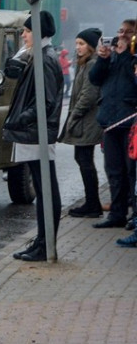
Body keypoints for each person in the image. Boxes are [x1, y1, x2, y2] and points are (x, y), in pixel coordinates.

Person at [6, 11, 64, 262]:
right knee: (43, 190)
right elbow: (11, 72)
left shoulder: (45, 59)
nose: (23, 35)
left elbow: (46, 102)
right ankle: (42, 242)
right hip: (34, 132)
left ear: (39, 33)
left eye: (28, 31)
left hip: (37, 133)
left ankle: (45, 245)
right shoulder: (37, 55)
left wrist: (21, 119)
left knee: (46, 190)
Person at [89, 19, 137, 231]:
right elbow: (95, 79)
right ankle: (117, 214)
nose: (122, 35)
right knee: (114, 171)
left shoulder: (132, 58)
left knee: (132, 172)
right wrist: (103, 59)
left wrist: (126, 54)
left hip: (130, 121)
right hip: (110, 121)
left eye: (128, 32)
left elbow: (133, 79)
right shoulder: (112, 56)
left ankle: (134, 216)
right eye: (120, 31)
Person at [63, 28, 104, 218]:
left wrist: (74, 115)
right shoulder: (85, 63)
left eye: (82, 44)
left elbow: (89, 95)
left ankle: (92, 204)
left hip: (87, 121)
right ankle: (92, 202)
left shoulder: (92, 64)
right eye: (77, 43)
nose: (78, 47)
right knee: (83, 159)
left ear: (91, 46)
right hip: (85, 121)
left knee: (85, 160)